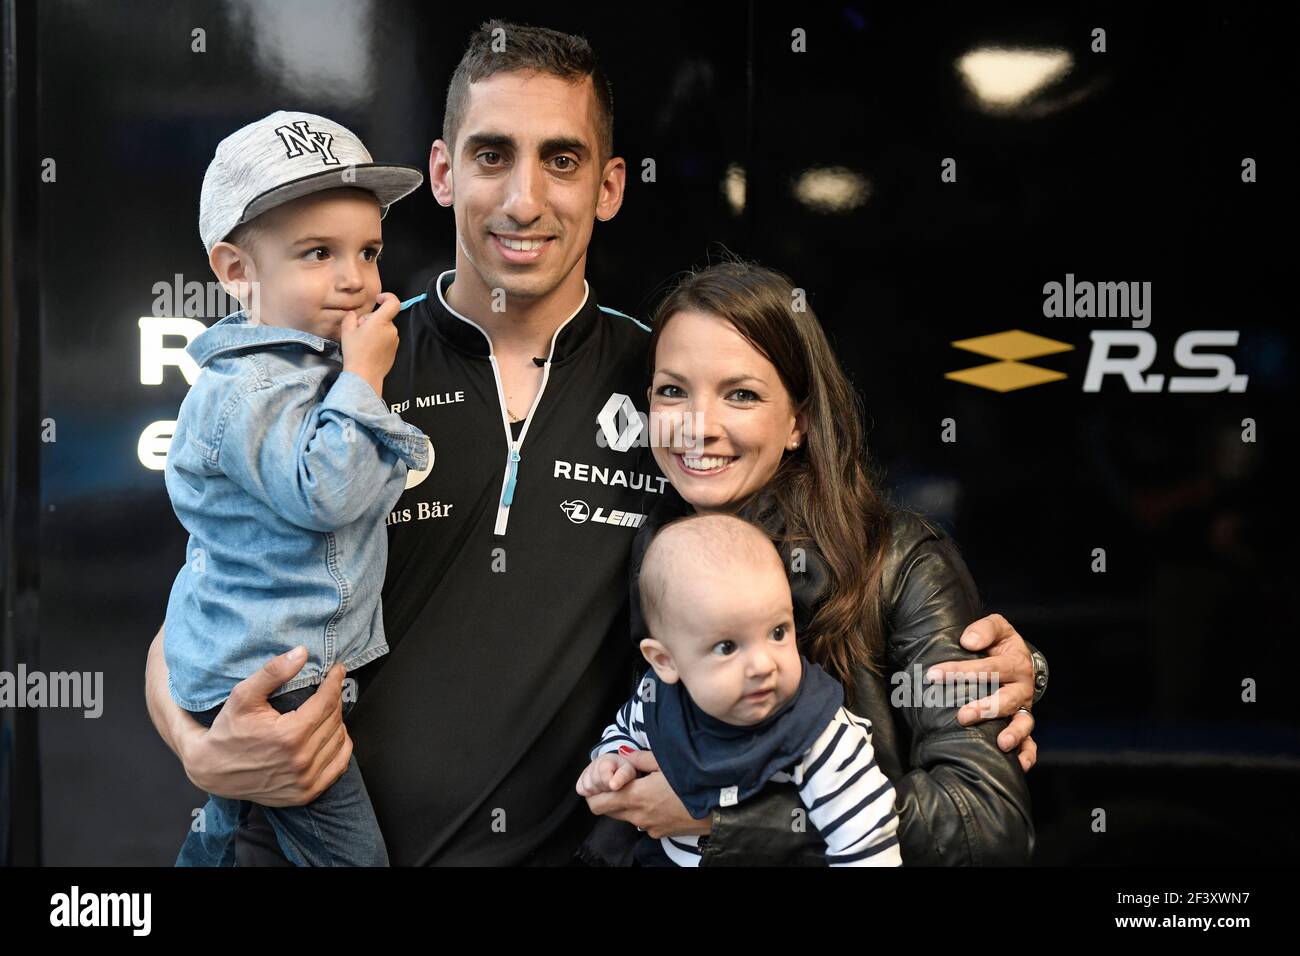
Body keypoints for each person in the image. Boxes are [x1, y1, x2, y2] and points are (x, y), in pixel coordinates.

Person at [144, 20, 1041, 866]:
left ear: (607, 186)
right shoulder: (339, 375)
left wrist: (988, 671)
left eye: (560, 159)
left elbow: (823, 565)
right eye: (493, 155)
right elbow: (210, 595)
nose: (524, 197)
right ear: (444, 172)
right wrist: (198, 744)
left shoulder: (666, 390)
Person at [579, 259, 1038, 865]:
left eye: (740, 394)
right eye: (673, 391)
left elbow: (988, 823)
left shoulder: (900, 561)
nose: (697, 426)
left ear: (798, 420)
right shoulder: (647, 547)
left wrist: (722, 818)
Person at [164, 111, 427, 865]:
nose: (355, 279)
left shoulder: (304, 370)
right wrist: (366, 377)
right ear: (236, 270)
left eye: (368, 251)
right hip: (276, 682)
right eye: (318, 253)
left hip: (265, 666)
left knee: (226, 819)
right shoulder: (251, 388)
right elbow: (329, 494)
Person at [579, 512, 903, 866]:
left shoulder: (817, 730)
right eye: (727, 647)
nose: (764, 665)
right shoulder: (658, 701)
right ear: (665, 661)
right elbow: (625, 735)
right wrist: (611, 763)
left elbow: (866, 839)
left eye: (778, 632)